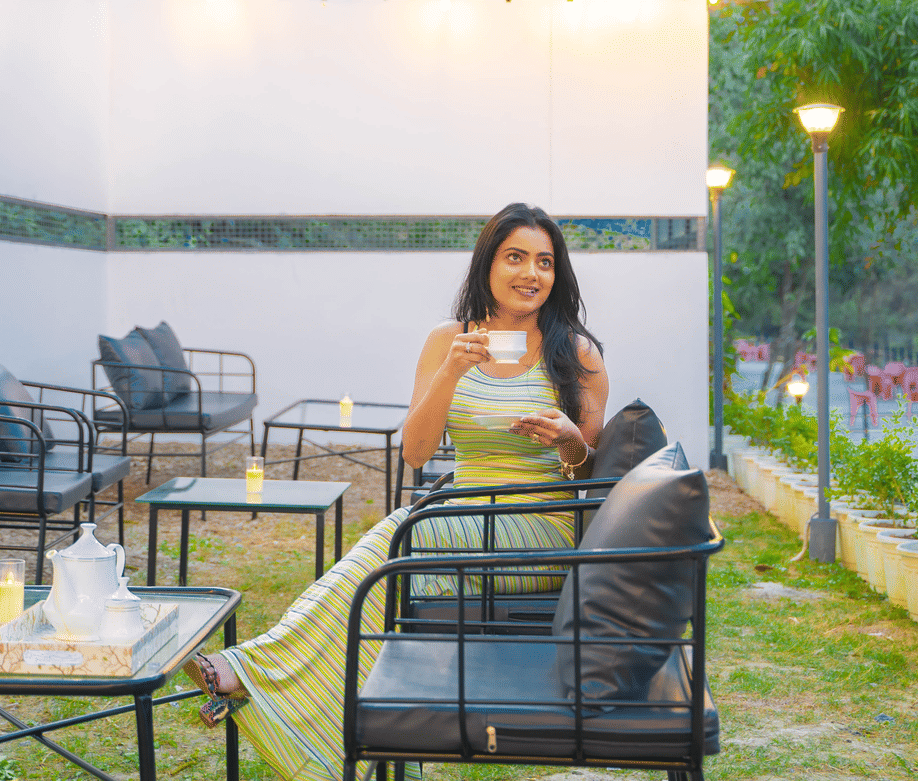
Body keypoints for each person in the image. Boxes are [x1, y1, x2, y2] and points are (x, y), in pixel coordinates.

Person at [180, 202, 609, 781]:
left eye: (544, 261)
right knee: (389, 558)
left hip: (539, 525)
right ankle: (293, 699)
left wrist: (567, 439)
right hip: (464, 510)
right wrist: (451, 373)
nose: (531, 273)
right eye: (515, 257)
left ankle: (253, 674)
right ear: (488, 264)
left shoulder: (575, 353)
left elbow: (589, 476)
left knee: (397, 539)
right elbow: (415, 453)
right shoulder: (446, 342)